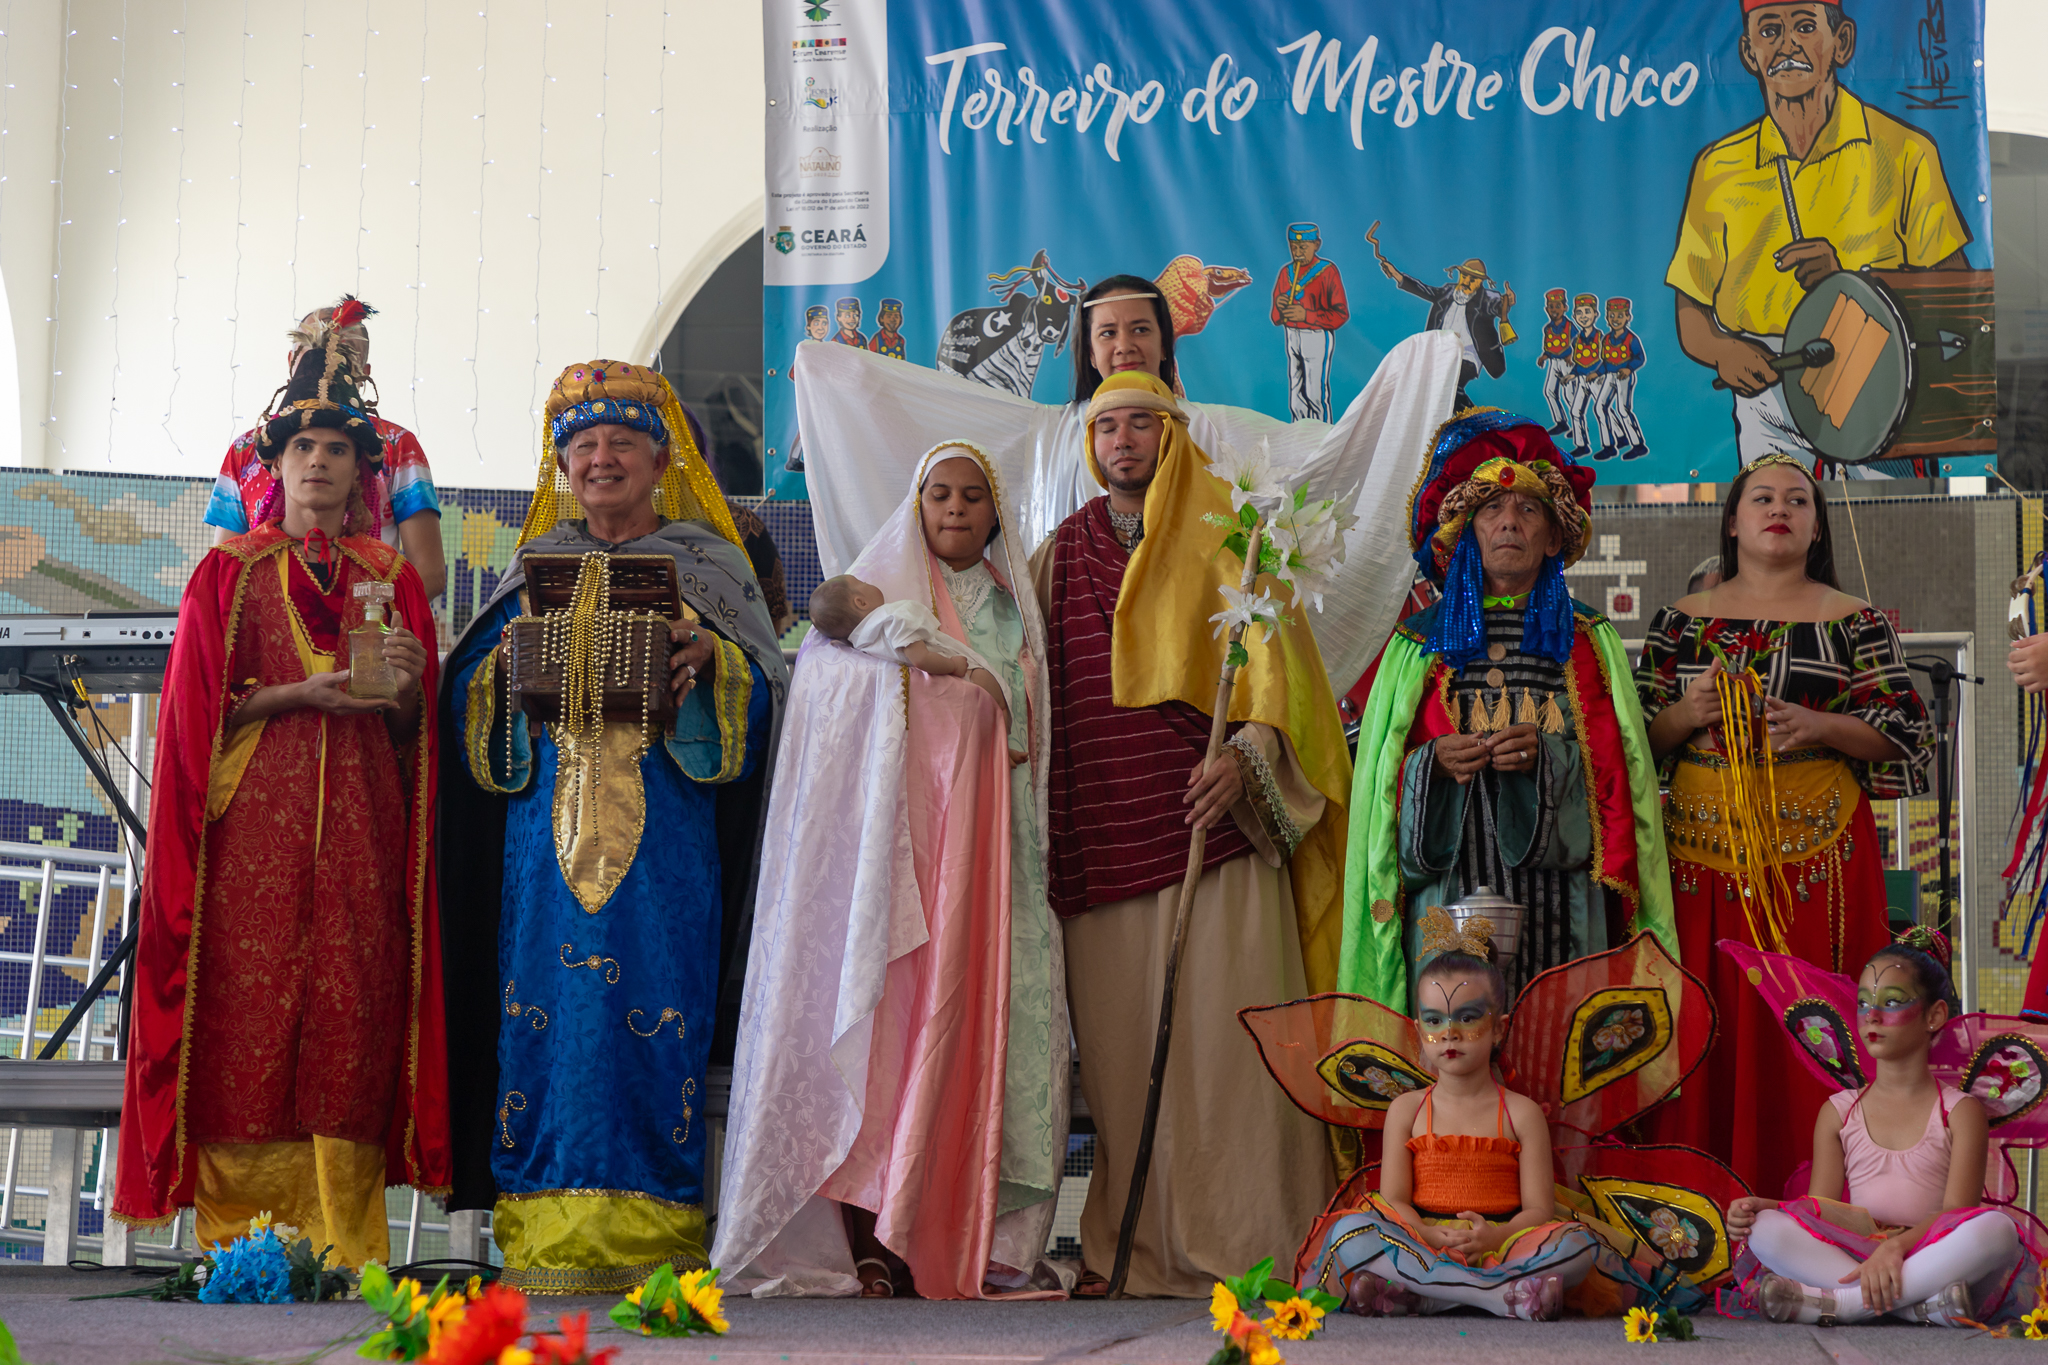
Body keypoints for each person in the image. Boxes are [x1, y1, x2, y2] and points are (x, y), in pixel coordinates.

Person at [438, 360, 786, 1293]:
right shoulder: (528, 570)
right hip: (540, 859)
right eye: (584, 444)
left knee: (658, 1017)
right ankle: (538, 1231)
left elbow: (774, 698)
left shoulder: (710, 568)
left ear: (662, 460)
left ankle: (656, 1228)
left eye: (622, 442)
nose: (602, 458)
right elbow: (467, 709)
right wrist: (503, 669)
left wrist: (713, 659)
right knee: (539, 1025)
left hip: (666, 848)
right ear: (562, 465)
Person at [113, 309, 448, 1265]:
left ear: (361, 470)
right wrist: (295, 695)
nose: (319, 463)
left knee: (350, 1011)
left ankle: (346, 1250)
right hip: (250, 833)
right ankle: (240, 1251)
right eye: (302, 447)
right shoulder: (226, 576)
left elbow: (412, 738)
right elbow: (195, 721)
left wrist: (405, 689)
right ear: (276, 465)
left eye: (337, 449)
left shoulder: (393, 580)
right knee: (246, 1016)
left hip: (363, 835)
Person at [716, 441, 1068, 1300]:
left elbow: (1031, 719)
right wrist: (924, 665)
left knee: (980, 1028)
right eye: (940, 493)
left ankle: (961, 1233)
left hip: (994, 860)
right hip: (900, 857)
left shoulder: (1015, 606)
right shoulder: (880, 594)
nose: (956, 508)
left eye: (973, 496)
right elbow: (832, 673)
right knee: (889, 1028)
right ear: (916, 504)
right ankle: (867, 1237)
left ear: (996, 512)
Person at [1030, 370, 1350, 1297]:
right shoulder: (1061, 553)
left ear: (1171, 435)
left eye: (1141, 425)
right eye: (1109, 428)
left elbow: (1288, 688)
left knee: (1232, 1060)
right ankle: (1135, 1253)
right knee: (1126, 1066)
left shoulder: (1234, 538)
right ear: (1091, 445)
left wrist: (1246, 756)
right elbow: (1028, 678)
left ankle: (1258, 1246)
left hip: (1219, 840)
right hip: (1103, 840)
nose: (1123, 442)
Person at [794, 285, 1464, 701]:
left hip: (1187, 675)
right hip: (1073, 676)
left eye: (1140, 328)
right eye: (1107, 332)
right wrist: (836, 382)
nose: (1124, 344)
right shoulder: (1045, 433)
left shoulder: (1209, 427)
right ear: (1086, 349)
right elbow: (936, 439)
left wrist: (1409, 394)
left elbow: (1315, 459)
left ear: (1166, 343)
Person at [1637, 452, 1932, 1199]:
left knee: (1811, 1020)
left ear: (1817, 526)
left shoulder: (1855, 621)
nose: (1780, 509)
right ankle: (1696, 1205)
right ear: (1732, 522)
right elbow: (1629, 742)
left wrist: (1821, 725)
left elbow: (1907, 735)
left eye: (1798, 500)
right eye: (1762, 498)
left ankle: (1823, 1202)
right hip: (1700, 856)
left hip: (1817, 859)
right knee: (1706, 1019)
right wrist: (1685, 714)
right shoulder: (1679, 621)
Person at [1344, 411, 1674, 1009]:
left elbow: (1620, 780)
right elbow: (1378, 788)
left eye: (1528, 509)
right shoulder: (1416, 645)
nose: (1509, 522)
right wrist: (1433, 765)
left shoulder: (1590, 639)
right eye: (1492, 509)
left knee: (1557, 1035)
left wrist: (1547, 761)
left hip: (1562, 900)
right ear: (1465, 533)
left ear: (1553, 538)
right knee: (1454, 1029)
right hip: (1448, 886)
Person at [1668, 0, 1972, 470]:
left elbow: (1958, 300)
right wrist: (1723, 350)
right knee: (1771, 508)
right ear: (1749, 53)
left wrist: (1851, 284)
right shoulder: (1718, 166)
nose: (1787, 45)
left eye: (1805, 26)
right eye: (1770, 31)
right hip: (1766, 393)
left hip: (1875, 376)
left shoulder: (1905, 152)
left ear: (1842, 42)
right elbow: (1691, 306)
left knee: (1881, 511)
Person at [1723, 932, 2038, 1326]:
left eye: (1891, 1002)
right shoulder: (1839, 1111)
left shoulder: (1960, 1112)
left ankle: (1842, 1305)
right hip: (1853, 1253)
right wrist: (1769, 1207)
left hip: (1930, 1253)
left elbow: (1956, 1215)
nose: (1871, 1016)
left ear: (1935, 1015)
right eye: (1863, 1003)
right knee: (1764, 1230)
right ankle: (1919, 1308)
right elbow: (1821, 1213)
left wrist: (1895, 1248)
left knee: (1997, 1230)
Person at [1300, 916, 1598, 1320]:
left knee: (1579, 1245)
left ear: (1499, 1028)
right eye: (1434, 1020)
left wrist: (1496, 1236)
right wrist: (1424, 1233)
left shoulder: (1522, 1113)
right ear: (1418, 1029)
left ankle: (1425, 1297)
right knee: (1348, 1234)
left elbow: (1539, 1209)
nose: (1449, 1033)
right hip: (1423, 1244)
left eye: (1468, 1017)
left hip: (1504, 1244)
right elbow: (1394, 1200)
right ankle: (1498, 1297)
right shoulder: (1407, 1109)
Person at [207, 297, 445, 602]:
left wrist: (362, 619)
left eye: (344, 353)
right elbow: (223, 574)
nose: (328, 358)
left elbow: (429, 572)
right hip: (267, 617)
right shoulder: (245, 449)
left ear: (364, 371)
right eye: (313, 350)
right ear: (291, 361)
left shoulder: (397, 446)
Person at [808, 572, 1015, 734]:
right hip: (957, 673)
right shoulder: (894, 617)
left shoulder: (862, 643)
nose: (868, 582)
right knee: (997, 701)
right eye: (862, 582)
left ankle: (999, 749)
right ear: (861, 602)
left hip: (934, 698)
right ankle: (1003, 747)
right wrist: (953, 665)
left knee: (980, 724)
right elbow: (921, 658)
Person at [1381, 254, 1513, 414]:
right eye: (1464, 276)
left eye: (1473, 279)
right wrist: (1396, 274)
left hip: (1467, 357)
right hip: (1440, 353)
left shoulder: (1488, 299)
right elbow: (1422, 290)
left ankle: (1476, 420)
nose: (1466, 281)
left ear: (1480, 282)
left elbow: (1499, 306)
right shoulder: (1447, 291)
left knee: (1450, 384)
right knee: (1431, 387)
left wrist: (1508, 302)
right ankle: (1472, 420)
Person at [1269, 223, 1349, 421]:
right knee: (1296, 395)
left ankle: (1322, 433)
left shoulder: (1327, 271)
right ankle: (1299, 431)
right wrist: (1280, 306)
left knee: (1315, 394)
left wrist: (1306, 315)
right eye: (1293, 247)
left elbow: (1340, 314)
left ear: (1317, 245)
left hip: (1316, 335)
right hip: (1291, 334)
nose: (1297, 253)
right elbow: (1275, 318)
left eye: (1303, 247)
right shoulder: (1286, 273)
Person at [1591, 297, 1647, 462]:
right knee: (1599, 407)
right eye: (1612, 315)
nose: (1615, 319)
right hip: (1609, 375)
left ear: (1628, 317)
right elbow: (1606, 362)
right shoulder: (1606, 339)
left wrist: (1629, 368)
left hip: (1624, 377)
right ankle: (1608, 446)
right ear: (1607, 318)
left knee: (1623, 410)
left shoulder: (1632, 339)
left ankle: (1638, 445)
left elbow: (1640, 358)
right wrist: (1597, 373)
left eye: (1620, 315)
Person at [1535, 288, 1572, 435]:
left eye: (1558, 306)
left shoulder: (1570, 327)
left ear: (1565, 307)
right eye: (1551, 306)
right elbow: (1550, 347)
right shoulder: (1548, 328)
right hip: (1554, 363)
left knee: (1569, 395)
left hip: (1567, 364)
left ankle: (1578, 425)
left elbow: (1579, 343)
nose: (1554, 310)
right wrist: (1544, 356)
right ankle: (1561, 422)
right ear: (1546, 309)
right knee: (1550, 391)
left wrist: (1572, 354)